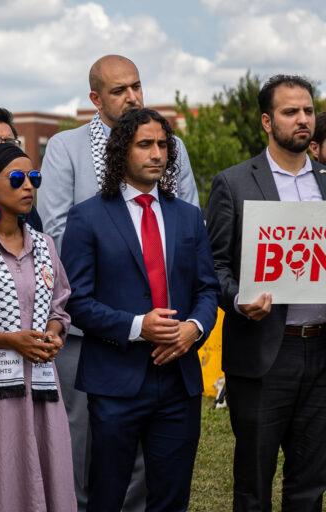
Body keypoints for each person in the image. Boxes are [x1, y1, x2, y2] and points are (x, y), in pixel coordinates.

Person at [37, 54, 200, 512]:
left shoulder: (174, 148)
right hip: (93, 329)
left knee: (158, 459)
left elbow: (186, 231)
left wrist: (176, 320)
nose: (132, 96)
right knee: (90, 445)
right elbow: (56, 235)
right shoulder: (66, 147)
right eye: (118, 90)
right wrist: (128, 312)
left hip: (166, 326)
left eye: (136, 86)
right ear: (95, 98)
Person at [63, 108, 219, 512]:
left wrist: (194, 329)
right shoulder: (87, 217)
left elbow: (207, 288)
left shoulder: (188, 217)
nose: (157, 154)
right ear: (121, 151)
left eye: (163, 145)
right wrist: (137, 326)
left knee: (171, 497)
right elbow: (75, 301)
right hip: (114, 381)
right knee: (107, 496)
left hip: (179, 382)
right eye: (145, 144)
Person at [206, 75, 326, 511]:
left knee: (311, 484)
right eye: (290, 112)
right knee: (254, 483)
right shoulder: (234, 183)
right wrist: (239, 301)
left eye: (308, 111)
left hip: (321, 350)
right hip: (263, 353)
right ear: (266, 120)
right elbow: (213, 267)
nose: (302, 120)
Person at [0, 142, 76, 512]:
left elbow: (60, 305)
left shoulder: (44, 245)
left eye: (34, 177)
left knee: (49, 466)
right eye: (17, 178)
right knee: (1, 473)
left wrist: (55, 335)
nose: (29, 186)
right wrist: (8, 341)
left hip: (42, 384)